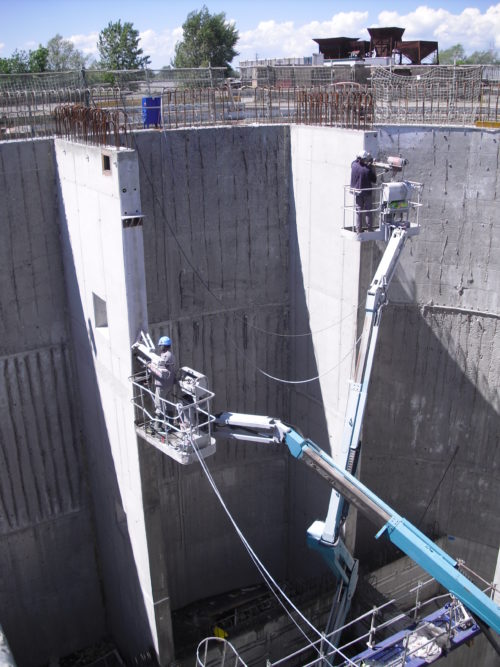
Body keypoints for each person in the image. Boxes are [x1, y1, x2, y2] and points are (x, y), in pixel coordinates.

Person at [149, 335, 177, 420]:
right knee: (168, 403)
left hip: (162, 385)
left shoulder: (165, 356)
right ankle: (171, 422)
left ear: (164, 346)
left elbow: (160, 370)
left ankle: (158, 425)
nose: (159, 347)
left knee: (159, 404)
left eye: (160, 345)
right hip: (169, 384)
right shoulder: (170, 355)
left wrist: (149, 365)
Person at [350, 150, 377, 233]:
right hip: (366, 192)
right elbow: (374, 179)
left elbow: (355, 162)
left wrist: (366, 163)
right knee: (368, 211)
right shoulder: (367, 170)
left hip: (357, 192)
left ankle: (358, 228)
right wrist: (373, 167)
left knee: (359, 211)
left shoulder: (354, 165)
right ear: (364, 159)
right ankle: (369, 228)